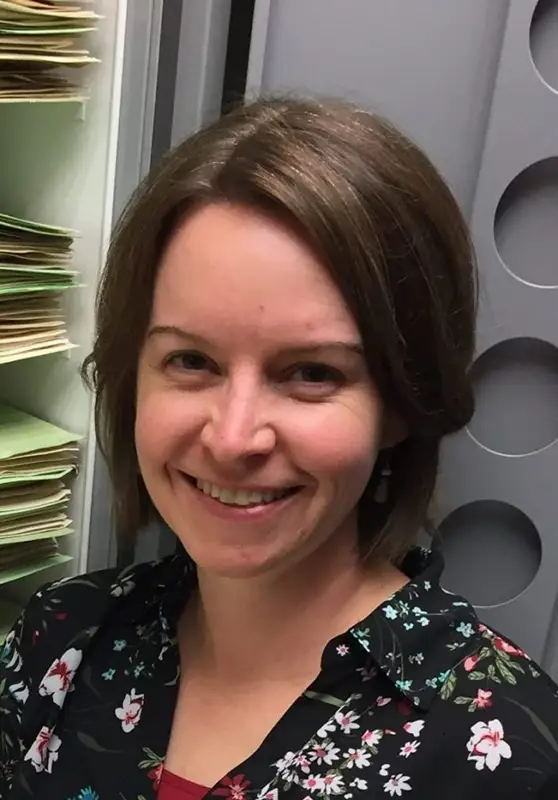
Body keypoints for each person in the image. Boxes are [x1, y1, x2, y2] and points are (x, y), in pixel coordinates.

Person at [1, 96, 557, 800]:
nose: (234, 438)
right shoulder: (62, 639)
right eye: (191, 361)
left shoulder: (505, 753)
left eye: (312, 373)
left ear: (400, 403)